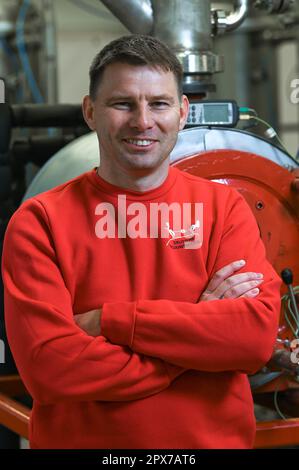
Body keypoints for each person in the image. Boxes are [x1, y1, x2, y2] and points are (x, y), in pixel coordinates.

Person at [2, 35, 281, 449]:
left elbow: (252, 338)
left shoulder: (224, 208)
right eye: (122, 104)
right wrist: (193, 343)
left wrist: (111, 321)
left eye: (159, 103)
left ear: (183, 112)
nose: (143, 120)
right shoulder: (40, 221)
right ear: (90, 111)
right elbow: (51, 369)